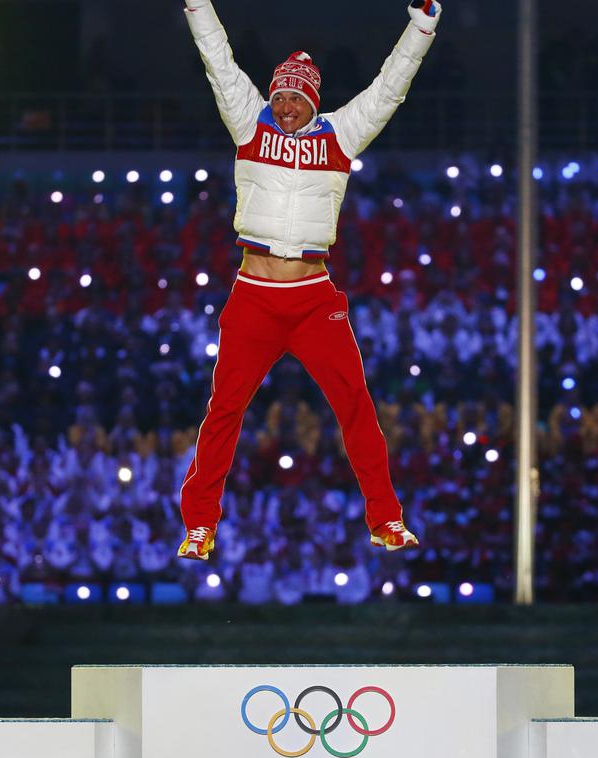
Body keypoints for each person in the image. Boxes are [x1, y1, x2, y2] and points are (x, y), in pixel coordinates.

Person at [176, 0, 442, 560]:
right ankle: (200, 524)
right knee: (224, 408)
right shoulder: (249, 122)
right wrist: (198, 4)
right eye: (280, 95)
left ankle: (386, 519)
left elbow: (389, 89)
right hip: (254, 293)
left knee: (355, 404)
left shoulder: (340, 135)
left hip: (313, 295)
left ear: (313, 102)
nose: (286, 105)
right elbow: (218, 62)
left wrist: (422, 25)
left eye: (296, 97)